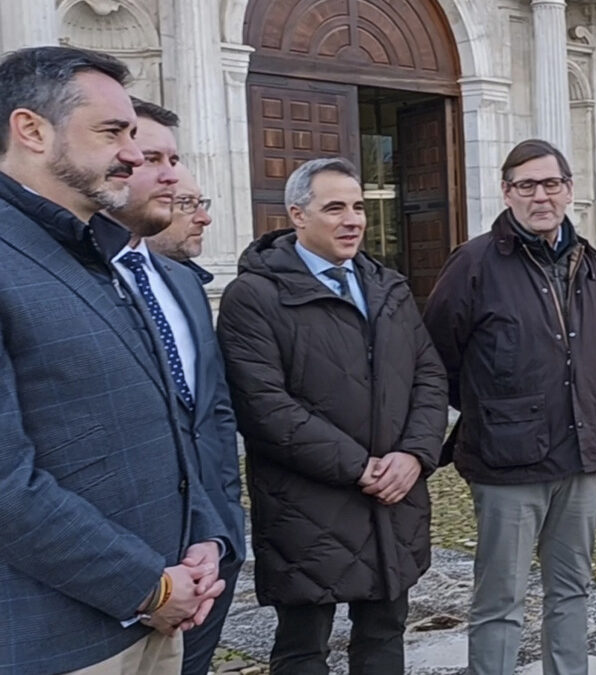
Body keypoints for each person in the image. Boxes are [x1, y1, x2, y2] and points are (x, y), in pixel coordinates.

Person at [0, 45, 229, 674]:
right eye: (112, 132)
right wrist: (147, 588)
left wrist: (202, 534)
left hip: (160, 617)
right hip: (57, 640)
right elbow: (6, 486)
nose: (133, 153)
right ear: (31, 130)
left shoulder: (101, 251)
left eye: (134, 132)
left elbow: (168, 419)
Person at [217, 157, 447, 674]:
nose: (353, 220)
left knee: (384, 637)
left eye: (360, 207)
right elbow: (263, 405)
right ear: (297, 215)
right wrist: (359, 467)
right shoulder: (254, 296)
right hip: (307, 504)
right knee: (303, 649)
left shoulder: (388, 287)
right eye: (335, 208)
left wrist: (413, 454)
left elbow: (429, 376)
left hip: (393, 500)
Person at [423, 139, 596, 675]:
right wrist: (494, 413)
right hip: (507, 464)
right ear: (507, 193)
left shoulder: (590, 263)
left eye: (551, 184)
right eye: (526, 185)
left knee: (572, 591)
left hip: (580, 456)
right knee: (500, 602)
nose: (541, 196)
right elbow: (438, 357)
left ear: (569, 190)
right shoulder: (475, 262)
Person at [108, 103, 246, 675]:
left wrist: (218, 534)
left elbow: (211, 415)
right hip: (111, 574)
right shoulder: (70, 279)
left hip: (207, 555)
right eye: (150, 157)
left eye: (174, 159)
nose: (167, 173)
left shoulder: (182, 285)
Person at [146, 162, 213, 264]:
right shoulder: (119, 276)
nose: (205, 218)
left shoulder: (188, 277)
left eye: (200, 202)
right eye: (186, 202)